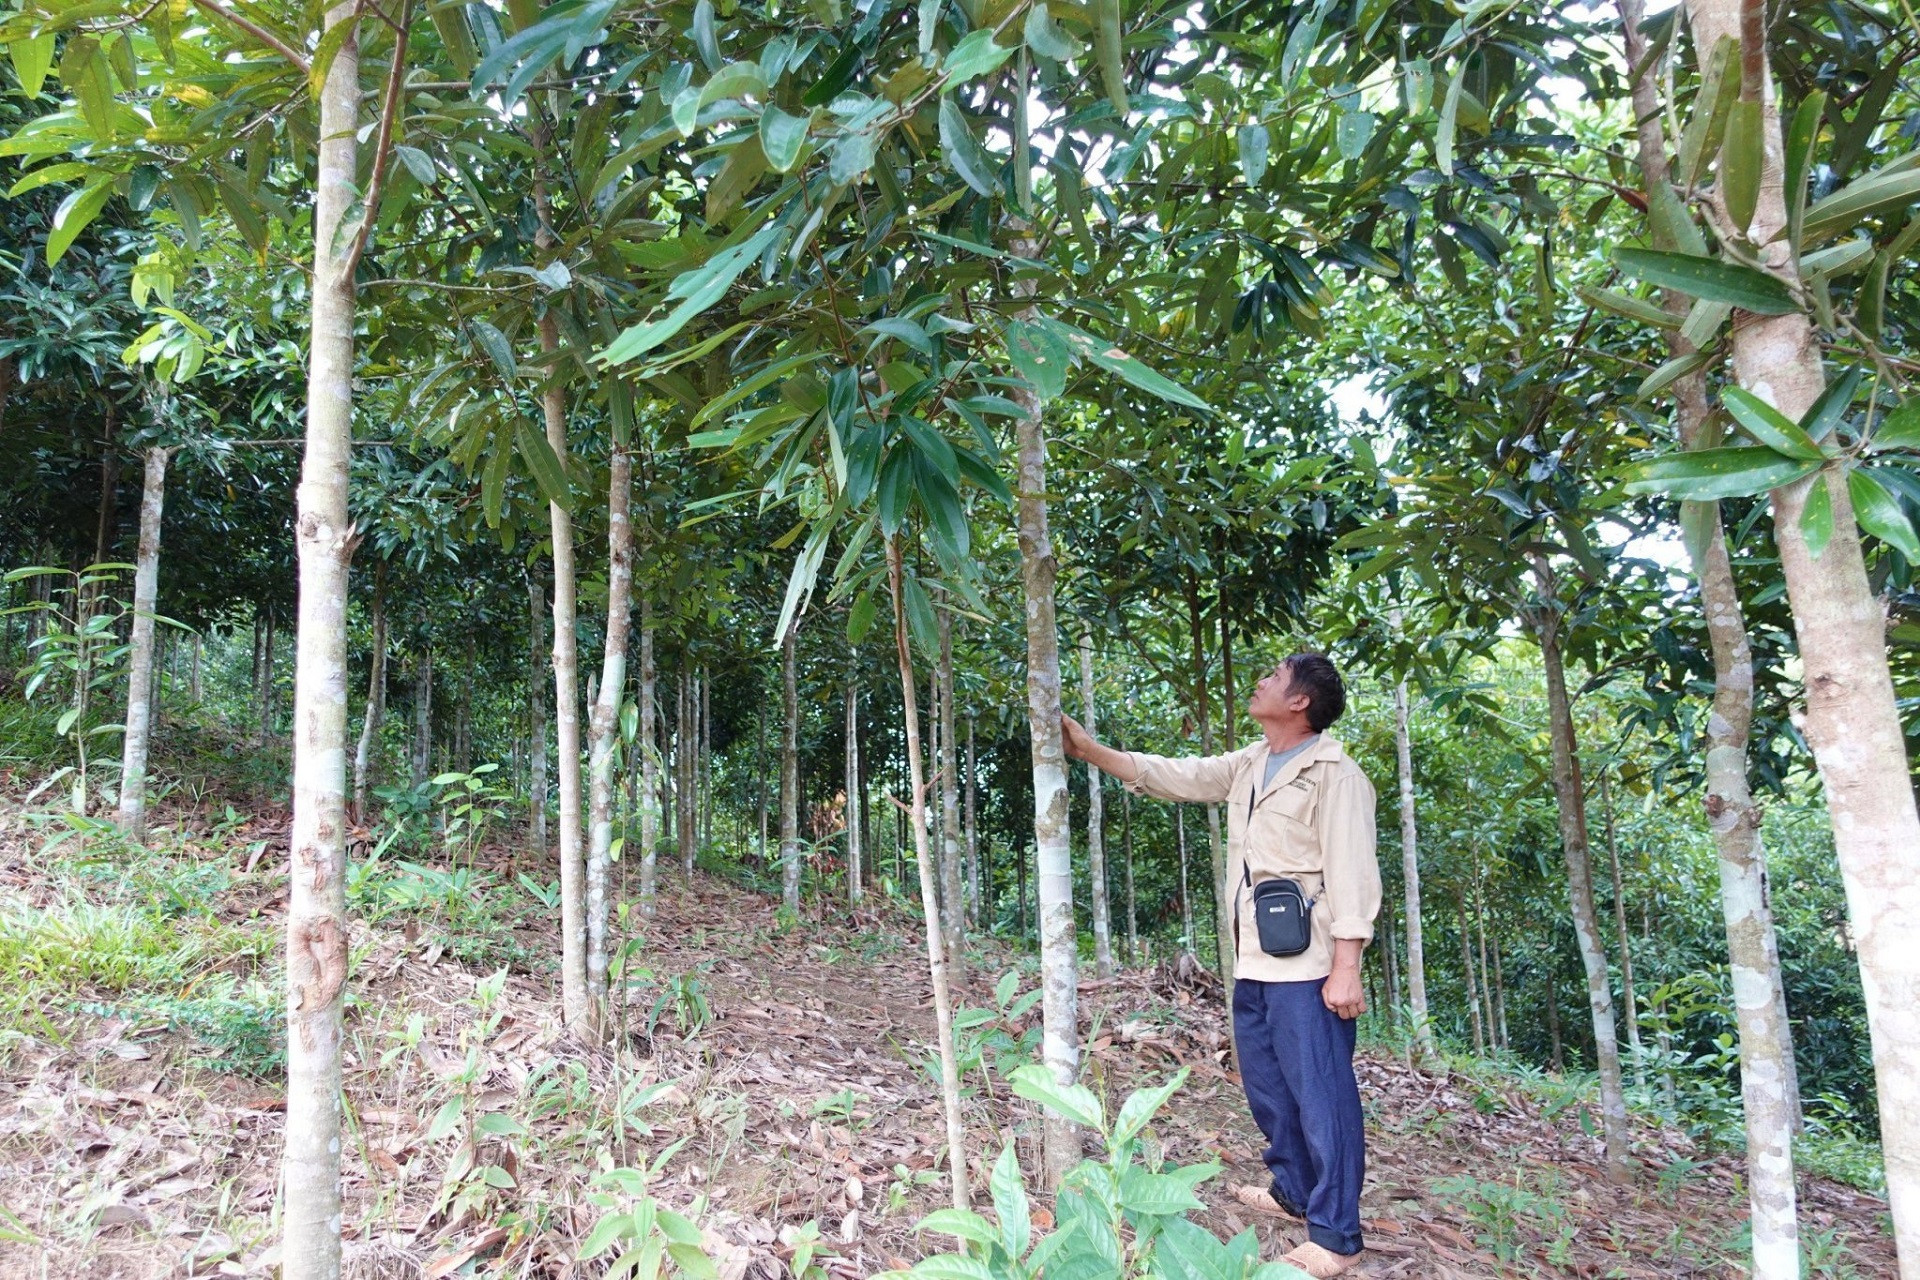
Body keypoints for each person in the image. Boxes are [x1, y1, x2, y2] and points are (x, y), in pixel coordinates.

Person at [1062, 651, 1381, 1279]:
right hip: (1256, 958)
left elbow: (1353, 874)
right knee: (1268, 1088)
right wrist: (1093, 751)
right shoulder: (1252, 764)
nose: (1261, 680)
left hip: (1311, 965)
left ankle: (1338, 1236)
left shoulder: (1337, 776)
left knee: (1323, 1097)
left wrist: (1348, 966)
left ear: (1300, 702)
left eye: (1275, 676)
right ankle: (1293, 1191)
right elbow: (1176, 775)